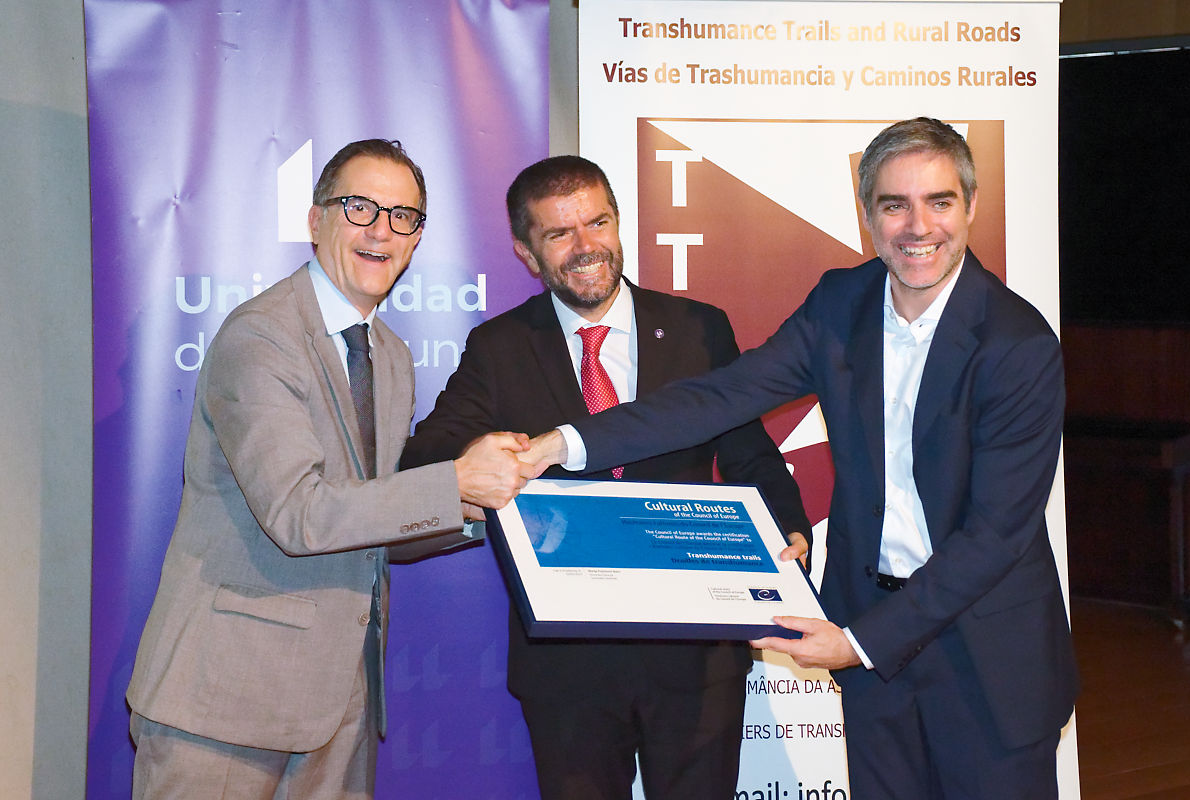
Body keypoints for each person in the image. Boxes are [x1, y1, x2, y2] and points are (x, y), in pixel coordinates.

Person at [525, 119, 1078, 799]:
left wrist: (858, 644)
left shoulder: (1016, 344)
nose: (917, 226)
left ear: (970, 207)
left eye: (938, 202)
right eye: (893, 204)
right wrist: (562, 444)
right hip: (873, 649)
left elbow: (993, 539)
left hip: (987, 655)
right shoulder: (840, 304)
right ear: (866, 213)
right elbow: (720, 396)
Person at [126, 139, 537, 799]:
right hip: (225, 701)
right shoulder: (261, 338)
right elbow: (301, 515)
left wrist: (487, 507)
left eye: (403, 216)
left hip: (339, 703)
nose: (381, 230)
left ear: (417, 238)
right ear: (315, 220)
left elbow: (372, 516)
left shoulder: (392, 355)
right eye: (359, 207)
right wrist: (454, 481)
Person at [399, 155, 811, 800]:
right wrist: (486, 465)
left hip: (696, 651)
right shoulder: (499, 348)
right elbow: (426, 461)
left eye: (598, 222)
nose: (587, 247)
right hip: (569, 665)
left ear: (619, 223)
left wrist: (788, 527)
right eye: (559, 233)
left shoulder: (701, 329)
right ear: (526, 253)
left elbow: (750, 454)